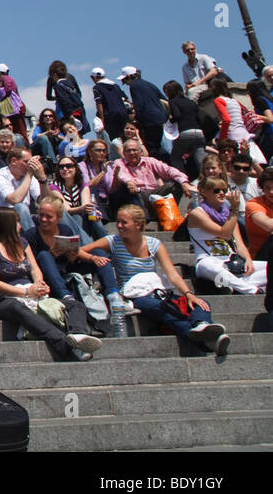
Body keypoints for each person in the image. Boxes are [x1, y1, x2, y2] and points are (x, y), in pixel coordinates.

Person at [85, 205, 230, 356]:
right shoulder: (112, 241)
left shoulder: (154, 244)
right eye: (118, 222)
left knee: (202, 304)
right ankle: (208, 340)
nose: (119, 226)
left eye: (124, 222)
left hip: (158, 290)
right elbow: (80, 250)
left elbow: (172, 274)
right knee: (165, 310)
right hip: (136, 294)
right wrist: (93, 257)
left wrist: (188, 294)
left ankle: (202, 326)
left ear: (138, 224)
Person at [0, 207, 102, 362]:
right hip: (6, 298)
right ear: (7, 224)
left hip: (30, 291)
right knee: (18, 308)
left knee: (75, 305)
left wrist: (39, 283)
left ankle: (78, 335)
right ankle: (65, 345)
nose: (20, 226)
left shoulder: (22, 243)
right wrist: (25, 293)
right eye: (17, 222)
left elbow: (34, 268)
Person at [184, 176, 267, 293]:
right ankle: (251, 290)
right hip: (208, 260)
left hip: (231, 260)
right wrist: (234, 210)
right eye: (216, 190)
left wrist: (248, 260)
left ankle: (235, 285)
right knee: (212, 268)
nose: (222, 193)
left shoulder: (229, 215)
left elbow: (239, 244)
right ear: (203, 191)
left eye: (224, 190)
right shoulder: (197, 213)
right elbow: (225, 234)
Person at [108, 138, 195, 217]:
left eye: (134, 150)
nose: (132, 153)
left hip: (155, 193)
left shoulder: (150, 161)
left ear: (140, 151)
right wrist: (129, 181)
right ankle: (145, 217)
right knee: (127, 190)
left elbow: (169, 170)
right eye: (128, 151)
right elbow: (121, 175)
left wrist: (184, 182)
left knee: (176, 184)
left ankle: (167, 211)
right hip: (137, 193)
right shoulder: (119, 162)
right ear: (123, 153)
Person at [0, 148, 50, 232]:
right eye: (27, 162)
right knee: (20, 207)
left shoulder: (28, 177)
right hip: (0, 226)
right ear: (14, 161)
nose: (30, 166)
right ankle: (33, 240)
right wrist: (30, 173)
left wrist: (43, 179)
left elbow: (45, 201)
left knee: (56, 208)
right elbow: (15, 200)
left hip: (21, 222)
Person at [120, 66, 168, 158]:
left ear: (130, 77)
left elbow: (139, 105)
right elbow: (164, 100)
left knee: (151, 147)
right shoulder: (150, 84)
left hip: (149, 120)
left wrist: (137, 120)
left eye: (125, 80)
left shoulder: (134, 86)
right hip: (160, 118)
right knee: (158, 145)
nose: (125, 83)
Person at [46, 60, 89, 134]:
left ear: (54, 73)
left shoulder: (52, 79)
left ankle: (71, 143)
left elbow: (48, 97)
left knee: (64, 128)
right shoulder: (70, 77)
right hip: (77, 108)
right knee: (76, 128)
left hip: (62, 108)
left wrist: (58, 97)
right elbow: (79, 93)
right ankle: (79, 142)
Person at [244, 167, 273, 262]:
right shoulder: (253, 204)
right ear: (262, 189)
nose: (271, 192)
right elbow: (269, 225)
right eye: (267, 188)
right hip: (262, 256)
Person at [0, 64, 26, 135]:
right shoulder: (8, 79)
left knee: (19, 129)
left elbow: (7, 90)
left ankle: (25, 144)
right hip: (13, 108)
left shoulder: (6, 78)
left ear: (0, 72)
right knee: (16, 129)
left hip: (14, 108)